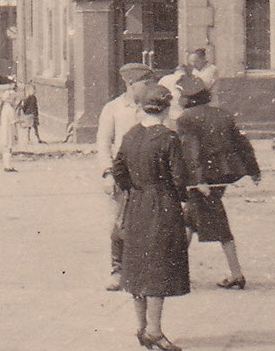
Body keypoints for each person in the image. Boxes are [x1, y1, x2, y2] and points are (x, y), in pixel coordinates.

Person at [113, 83, 189, 351]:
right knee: (159, 266)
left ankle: (142, 328)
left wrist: (134, 188)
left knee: (136, 267)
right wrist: (182, 199)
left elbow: (118, 170)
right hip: (163, 205)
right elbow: (179, 180)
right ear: (166, 109)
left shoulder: (130, 135)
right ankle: (155, 331)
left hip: (136, 205)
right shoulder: (169, 138)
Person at [176, 72, 260, 290]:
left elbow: (190, 151)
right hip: (221, 177)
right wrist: (253, 170)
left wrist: (198, 179)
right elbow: (242, 143)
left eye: (180, 95)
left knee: (209, 222)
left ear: (187, 97)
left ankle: (235, 273)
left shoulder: (185, 119)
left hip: (201, 181)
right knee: (190, 219)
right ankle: (232, 272)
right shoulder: (223, 114)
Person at [96, 62, 155, 291]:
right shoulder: (113, 109)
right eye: (146, 83)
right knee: (119, 223)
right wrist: (107, 173)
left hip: (148, 175)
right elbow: (103, 142)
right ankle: (117, 270)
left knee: (150, 221)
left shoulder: (152, 107)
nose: (150, 87)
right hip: (122, 174)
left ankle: (145, 270)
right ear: (131, 84)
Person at [0, 89, 18, 171]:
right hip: (9, 131)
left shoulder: (4, 109)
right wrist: (15, 134)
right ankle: (8, 166)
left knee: (6, 147)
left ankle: (6, 165)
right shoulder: (10, 110)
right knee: (9, 148)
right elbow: (13, 123)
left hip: (4, 130)